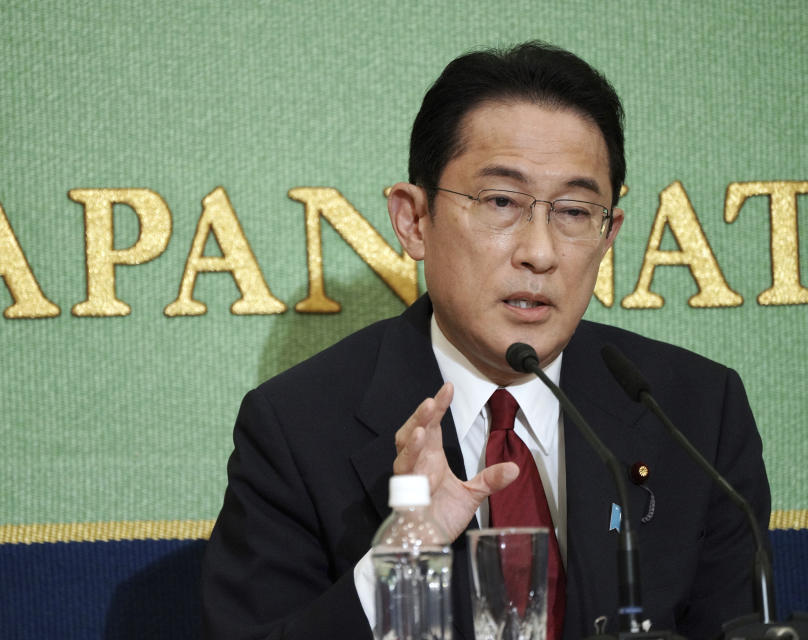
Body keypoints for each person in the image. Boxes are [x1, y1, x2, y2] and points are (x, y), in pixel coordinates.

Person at [199, 41, 770, 640]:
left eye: (575, 212)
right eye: (501, 201)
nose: (540, 253)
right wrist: (401, 559)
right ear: (414, 221)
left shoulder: (696, 413)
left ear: (609, 234)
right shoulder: (295, 427)